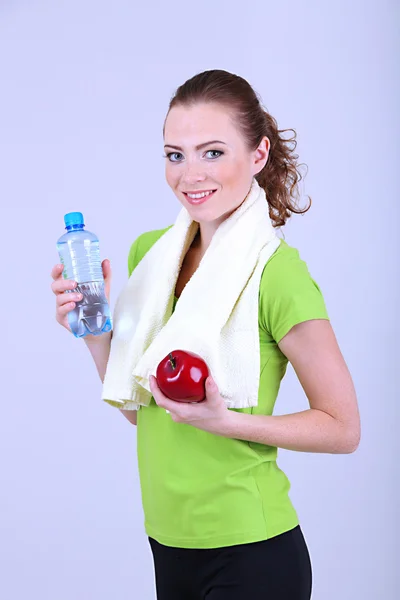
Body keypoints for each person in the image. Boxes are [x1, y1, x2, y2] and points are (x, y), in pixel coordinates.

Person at [51, 69, 361, 600]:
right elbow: (140, 408)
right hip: (169, 543)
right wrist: (93, 332)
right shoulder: (151, 254)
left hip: (252, 549)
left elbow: (343, 427)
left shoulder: (276, 273)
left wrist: (225, 422)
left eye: (212, 152)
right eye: (176, 154)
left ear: (258, 155)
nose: (189, 174)